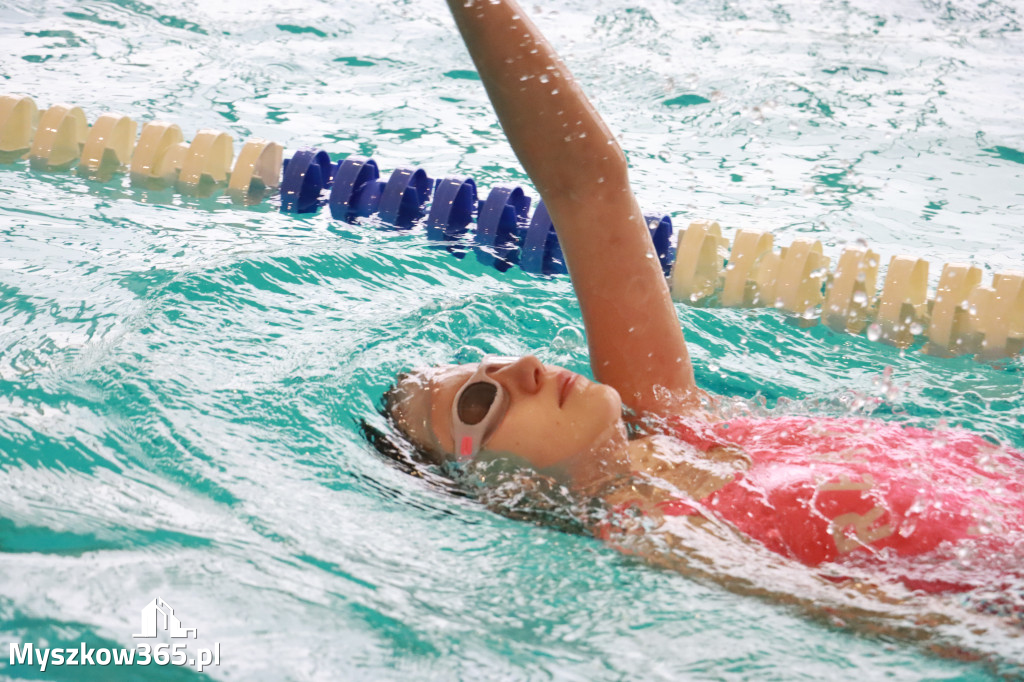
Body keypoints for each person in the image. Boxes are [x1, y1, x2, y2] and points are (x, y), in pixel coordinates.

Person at [373, 0, 1024, 642]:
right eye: (482, 399)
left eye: (497, 364)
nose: (525, 368)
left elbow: (586, 185)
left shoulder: (675, 421)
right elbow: (920, 623)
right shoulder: (659, 532)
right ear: (491, 487)